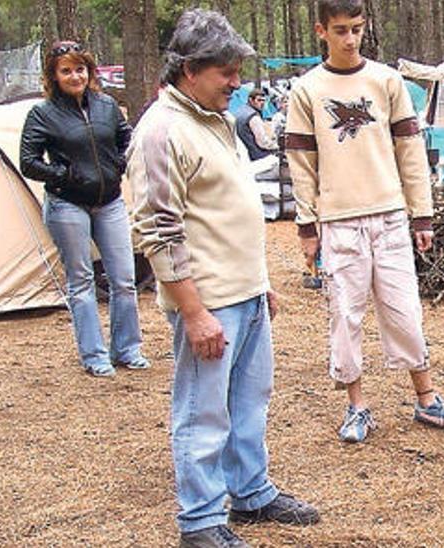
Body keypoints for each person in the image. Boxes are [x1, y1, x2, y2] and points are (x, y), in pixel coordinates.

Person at [125, 10, 319, 547]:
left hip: (245, 295)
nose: (237, 83)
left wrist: (259, 284)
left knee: (248, 402)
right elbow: (159, 231)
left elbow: (221, 213)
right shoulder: (162, 131)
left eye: (237, 71)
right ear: (189, 69)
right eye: (226, 73)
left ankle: (251, 492)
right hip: (208, 302)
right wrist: (193, 310)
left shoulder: (213, 121)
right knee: (202, 411)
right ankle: (202, 521)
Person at [286, 0, 444, 443]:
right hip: (339, 218)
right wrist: (307, 225)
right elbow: (302, 162)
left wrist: (421, 214)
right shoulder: (307, 90)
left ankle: (427, 400)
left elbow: (410, 151)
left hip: (389, 213)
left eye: (356, 28)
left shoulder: (387, 81)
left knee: (404, 308)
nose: (349, 39)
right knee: (345, 314)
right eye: (339, 30)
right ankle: (357, 407)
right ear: (321, 31)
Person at [20, 40, 148, 378]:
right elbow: (28, 162)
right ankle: (94, 355)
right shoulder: (42, 114)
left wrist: (118, 164)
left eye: (80, 69)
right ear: (54, 76)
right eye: (67, 71)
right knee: (82, 281)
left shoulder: (106, 106)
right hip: (67, 205)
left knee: (124, 278)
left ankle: (127, 348)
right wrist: (63, 174)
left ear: (89, 71)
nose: (75, 76)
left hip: (110, 202)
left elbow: (127, 139)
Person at [234, 87, 278, 161]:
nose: (262, 103)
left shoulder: (239, 112)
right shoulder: (253, 117)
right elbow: (263, 142)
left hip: (243, 156)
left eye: (264, 100)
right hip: (257, 156)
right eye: (259, 100)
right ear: (251, 100)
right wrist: (276, 146)